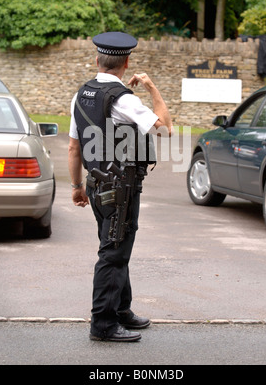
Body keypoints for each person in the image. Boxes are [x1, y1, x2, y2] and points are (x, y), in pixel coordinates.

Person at [68, 31, 172, 342]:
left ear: (96, 60)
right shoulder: (123, 98)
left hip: (97, 185)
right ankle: (102, 325)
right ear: (126, 62)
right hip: (121, 188)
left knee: (116, 247)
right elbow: (165, 129)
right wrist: (152, 87)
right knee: (113, 253)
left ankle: (121, 310)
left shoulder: (81, 94)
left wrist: (76, 186)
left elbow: (74, 147)